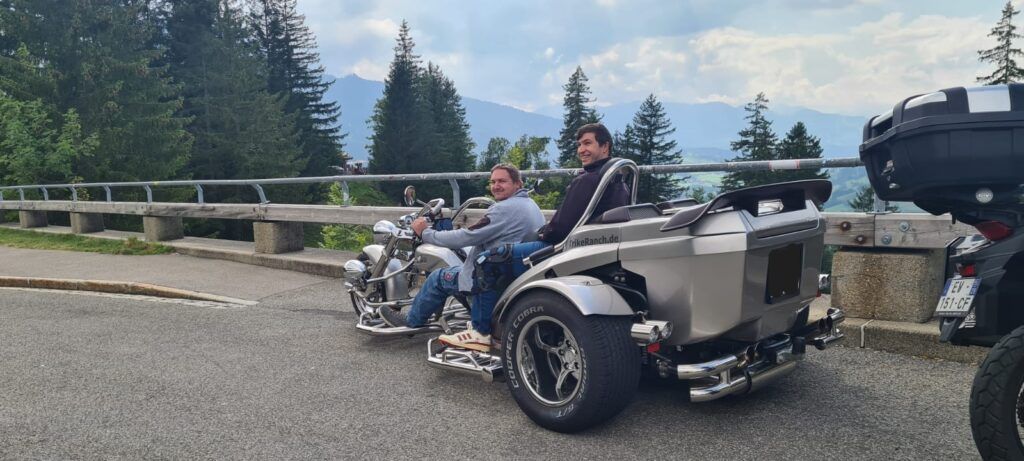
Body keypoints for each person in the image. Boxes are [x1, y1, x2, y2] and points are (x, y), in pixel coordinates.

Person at [438, 122, 631, 350]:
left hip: (563, 246)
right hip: (593, 246)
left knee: (487, 259)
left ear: (605, 146)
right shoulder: (618, 181)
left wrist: (542, 232)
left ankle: (480, 331)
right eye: (579, 145)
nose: (581, 150)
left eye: (587, 143)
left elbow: (560, 228)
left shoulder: (587, 180)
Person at [404, 163, 545, 352]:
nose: (496, 186)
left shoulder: (503, 209)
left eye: (502, 181)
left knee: (438, 277)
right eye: (493, 182)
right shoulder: (530, 205)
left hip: (491, 275)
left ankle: (410, 322)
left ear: (517, 184)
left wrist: (426, 233)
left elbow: (467, 236)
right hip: (513, 270)